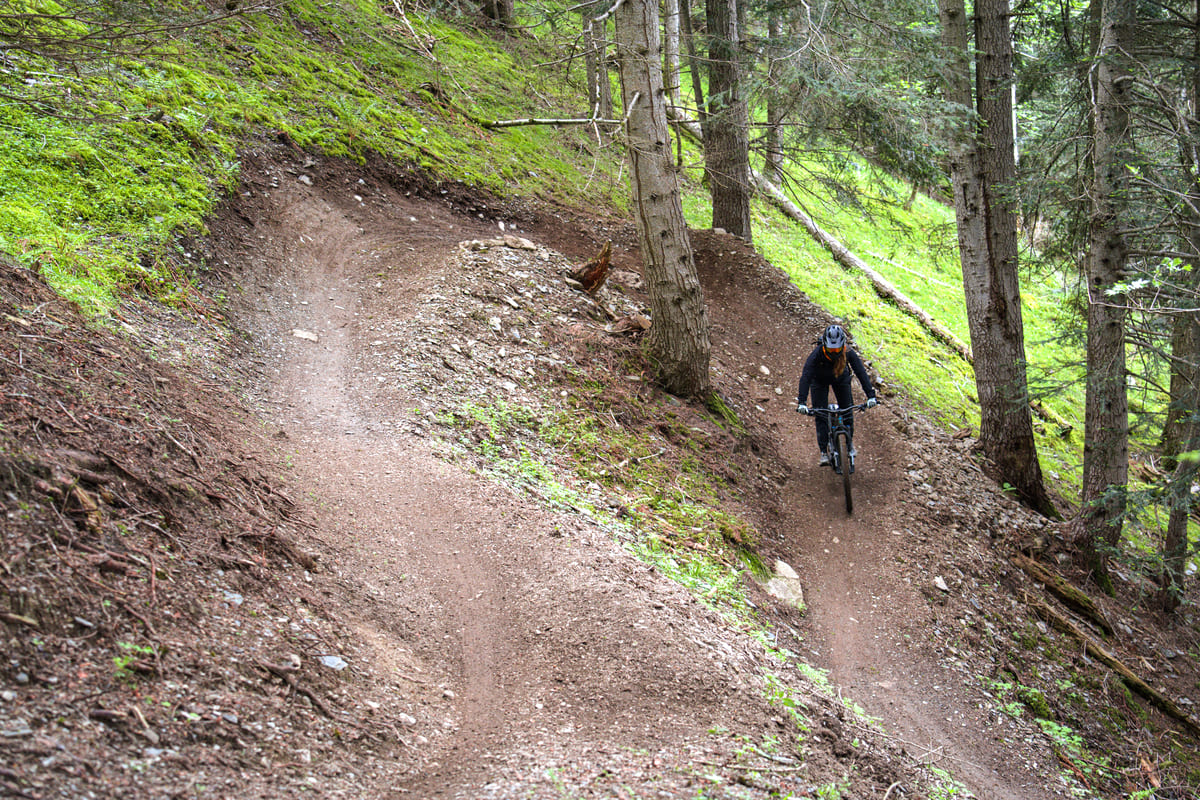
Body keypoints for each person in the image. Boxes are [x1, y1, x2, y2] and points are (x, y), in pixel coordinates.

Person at [796, 324, 878, 466]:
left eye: (837, 349)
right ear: (825, 346)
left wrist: (871, 395)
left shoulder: (848, 352)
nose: (834, 352)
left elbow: (861, 372)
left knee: (847, 411)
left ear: (842, 346)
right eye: (831, 349)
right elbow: (806, 376)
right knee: (820, 414)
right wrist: (802, 402)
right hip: (819, 381)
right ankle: (823, 451)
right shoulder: (817, 354)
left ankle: (849, 444)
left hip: (841, 378)